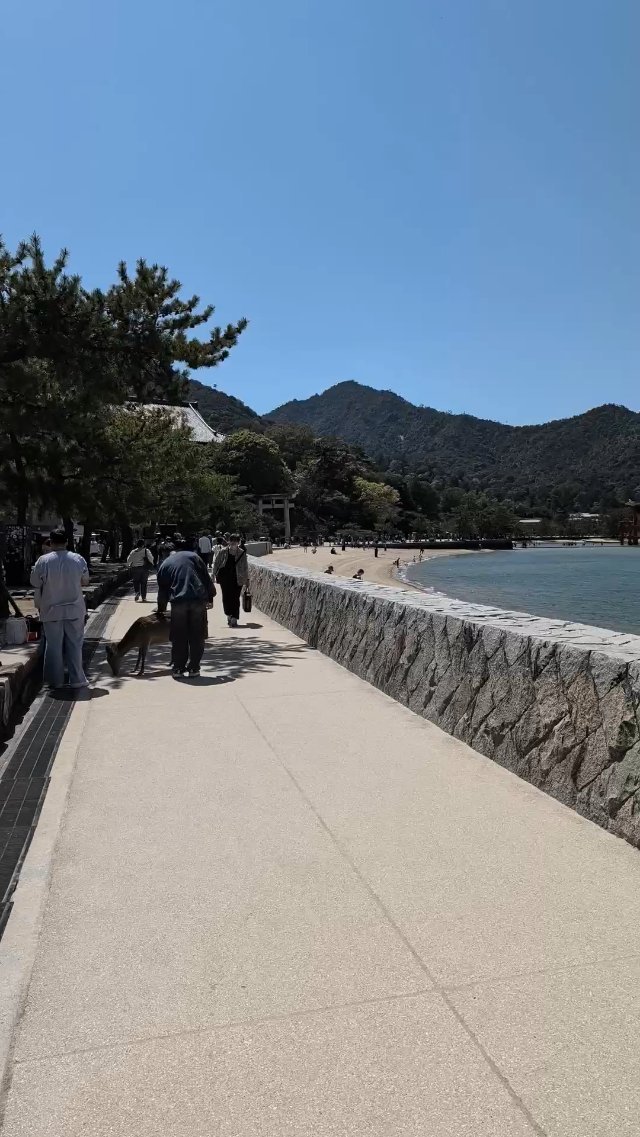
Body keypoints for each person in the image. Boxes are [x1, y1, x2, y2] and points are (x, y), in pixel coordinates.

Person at [30, 529, 90, 690]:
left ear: (51, 542)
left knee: (54, 646)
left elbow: (34, 582)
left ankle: (55, 681)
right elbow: (85, 581)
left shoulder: (43, 561)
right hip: (74, 608)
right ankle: (77, 679)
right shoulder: (78, 559)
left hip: (51, 610)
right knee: (75, 644)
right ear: (67, 542)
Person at [156, 539, 214, 676]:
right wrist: (210, 597)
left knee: (179, 635)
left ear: (162, 554)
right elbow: (206, 578)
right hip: (198, 601)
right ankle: (194, 668)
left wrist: (161, 610)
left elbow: (162, 592)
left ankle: (178, 668)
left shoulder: (165, 565)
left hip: (178, 602)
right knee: (197, 635)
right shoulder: (194, 556)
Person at [213, 533, 249, 628]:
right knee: (226, 597)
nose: (233, 543)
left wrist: (247, 579)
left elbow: (245, 567)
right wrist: (213, 575)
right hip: (225, 578)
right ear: (229, 541)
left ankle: (234, 618)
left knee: (235, 598)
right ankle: (228, 614)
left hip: (238, 578)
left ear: (238, 542)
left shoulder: (241, 552)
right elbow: (216, 563)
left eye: (235, 541)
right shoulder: (223, 551)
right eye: (232, 541)